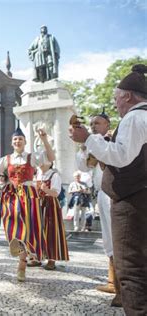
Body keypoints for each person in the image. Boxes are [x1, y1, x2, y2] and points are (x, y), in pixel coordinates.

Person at [70, 64, 147, 314]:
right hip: (136, 195)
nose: (115, 103)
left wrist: (87, 139)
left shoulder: (134, 117)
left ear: (127, 95)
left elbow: (122, 155)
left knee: (131, 267)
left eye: (116, 98)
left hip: (131, 199)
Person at [0, 126, 55, 282]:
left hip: (28, 194)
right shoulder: (6, 159)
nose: (17, 141)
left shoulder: (31, 157)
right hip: (11, 195)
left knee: (29, 226)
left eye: (20, 139)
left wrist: (44, 138)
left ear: (25, 142)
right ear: (12, 143)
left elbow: (51, 158)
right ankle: (21, 256)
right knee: (12, 226)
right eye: (15, 139)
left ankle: (22, 264)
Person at [76, 110, 117, 295]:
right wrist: (84, 146)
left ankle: (118, 282)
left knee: (116, 235)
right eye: (92, 124)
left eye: (97, 123)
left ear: (107, 125)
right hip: (101, 192)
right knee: (108, 236)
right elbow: (83, 166)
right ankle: (112, 279)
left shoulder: (112, 142)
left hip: (114, 192)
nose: (93, 127)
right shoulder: (91, 144)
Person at [32, 162, 69, 270]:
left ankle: (51, 259)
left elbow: (56, 193)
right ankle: (37, 257)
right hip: (38, 203)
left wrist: (46, 190)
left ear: (50, 163)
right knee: (37, 230)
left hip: (50, 204)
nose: (41, 162)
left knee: (51, 230)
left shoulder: (54, 175)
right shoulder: (38, 175)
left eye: (44, 159)